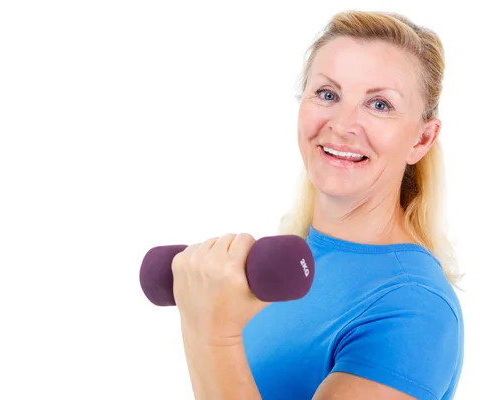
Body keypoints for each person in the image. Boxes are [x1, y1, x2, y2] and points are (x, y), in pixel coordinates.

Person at [171, 10, 464, 400]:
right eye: (328, 94)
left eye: (379, 105)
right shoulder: (295, 262)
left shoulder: (415, 307)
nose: (342, 125)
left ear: (422, 140)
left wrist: (210, 333)